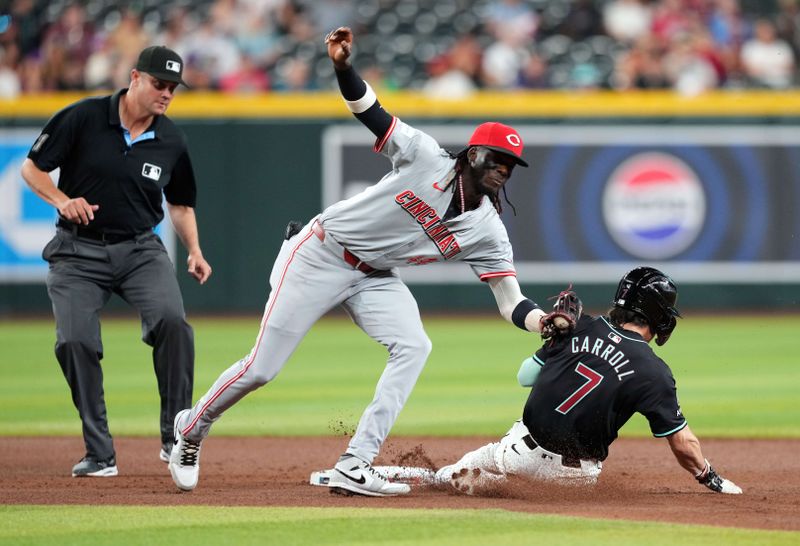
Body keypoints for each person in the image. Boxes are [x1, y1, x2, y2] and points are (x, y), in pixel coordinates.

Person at [168, 27, 558, 497]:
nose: (504, 169)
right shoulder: (425, 157)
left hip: (374, 277)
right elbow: (370, 111)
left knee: (414, 346)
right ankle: (190, 431)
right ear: (473, 153)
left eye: (512, 164)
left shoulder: (488, 230)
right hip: (320, 254)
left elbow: (509, 299)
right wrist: (343, 67)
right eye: (498, 158)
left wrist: (542, 322)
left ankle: (354, 463)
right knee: (261, 369)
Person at [21, 45, 212, 478]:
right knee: (75, 342)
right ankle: (99, 454)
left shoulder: (171, 140)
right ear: (135, 78)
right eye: (160, 84)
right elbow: (32, 169)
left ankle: (174, 435)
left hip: (140, 249)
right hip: (77, 251)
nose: (167, 93)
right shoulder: (84, 118)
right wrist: (62, 200)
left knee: (172, 323)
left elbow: (180, 204)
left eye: (173, 88)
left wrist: (196, 251)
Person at [433, 267, 742, 496]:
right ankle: (491, 486)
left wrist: (551, 343)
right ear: (659, 315)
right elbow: (682, 443)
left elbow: (525, 377)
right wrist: (710, 477)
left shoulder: (578, 327)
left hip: (516, 451)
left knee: (449, 477)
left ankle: (449, 479)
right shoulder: (654, 372)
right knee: (490, 489)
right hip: (572, 482)